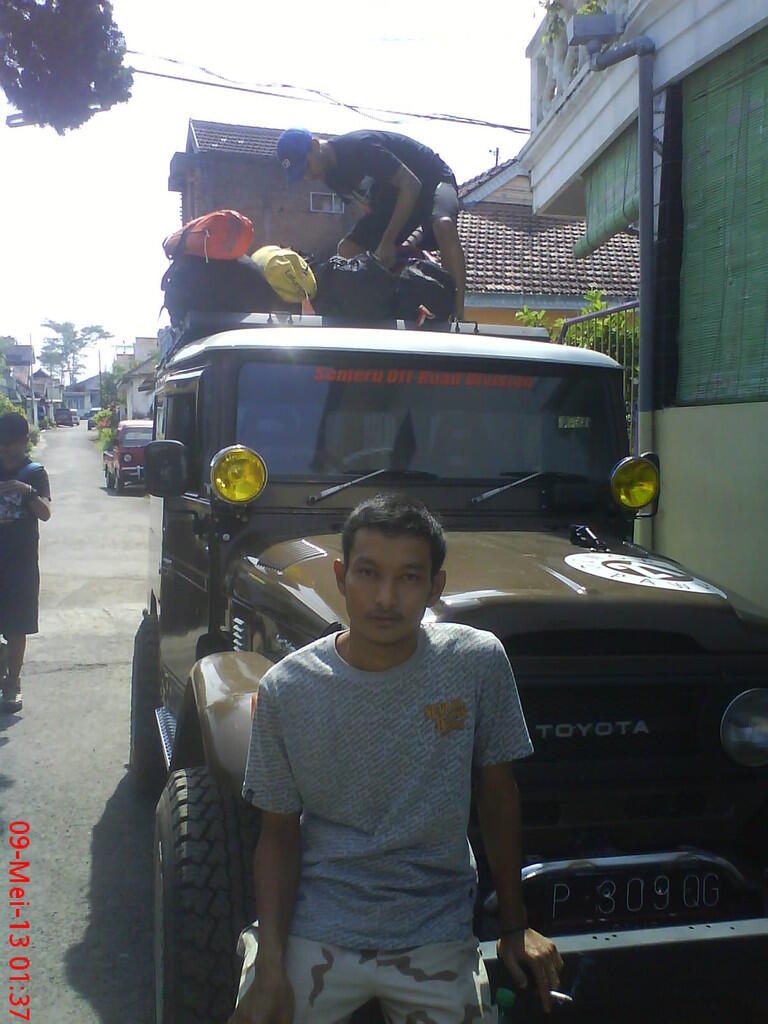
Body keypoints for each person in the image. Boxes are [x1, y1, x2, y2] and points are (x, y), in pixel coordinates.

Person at [229, 494, 562, 1024]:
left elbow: (498, 795)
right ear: (341, 576)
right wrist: (271, 967)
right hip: (319, 922)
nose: (385, 597)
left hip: (434, 927)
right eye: (368, 573)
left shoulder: (475, 663)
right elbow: (278, 834)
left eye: (409, 578)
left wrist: (514, 927)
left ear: (436, 587)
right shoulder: (286, 689)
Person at [277, 128, 466, 319]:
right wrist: (376, 258)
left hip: (432, 180)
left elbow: (412, 185)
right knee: (347, 249)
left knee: (443, 225)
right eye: (301, 174)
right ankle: (383, 308)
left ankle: (457, 312)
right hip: (397, 197)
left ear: (315, 145)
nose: (308, 176)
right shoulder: (331, 176)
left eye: (306, 166)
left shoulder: (361, 147)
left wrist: (388, 242)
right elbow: (368, 210)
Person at [0, 412, 51, 712]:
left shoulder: (34, 472)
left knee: (17, 627)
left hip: (20, 563)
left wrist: (25, 491)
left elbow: (45, 513)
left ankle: (12, 682)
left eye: (11, 444)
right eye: (1, 444)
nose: (6, 450)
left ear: (23, 442)